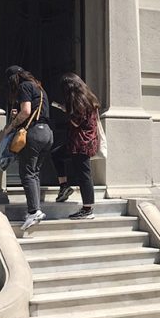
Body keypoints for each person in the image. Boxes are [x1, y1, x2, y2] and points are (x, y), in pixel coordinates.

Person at [2, 66, 53, 232]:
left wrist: (11, 126)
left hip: (33, 134)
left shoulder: (24, 86)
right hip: (47, 133)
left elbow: (26, 111)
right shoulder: (39, 88)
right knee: (34, 173)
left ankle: (34, 211)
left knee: (27, 173)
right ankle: (35, 209)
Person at [60, 73, 100, 220]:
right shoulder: (89, 97)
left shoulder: (78, 100)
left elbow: (77, 122)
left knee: (84, 175)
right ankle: (64, 186)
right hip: (85, 141)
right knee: (57, 154)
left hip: (80, 142)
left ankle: (87, 209)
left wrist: (66, 111)